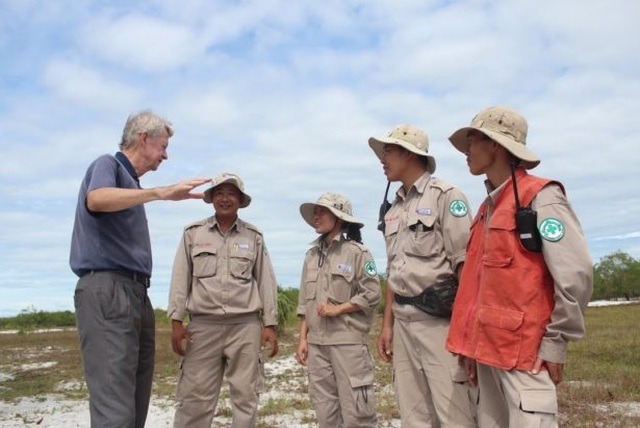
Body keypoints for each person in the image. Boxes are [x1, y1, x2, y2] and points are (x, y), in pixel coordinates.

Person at [445, 106, 593, 427]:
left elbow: (575, 275)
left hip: (525, 358)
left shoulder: (542, 197)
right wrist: (470, 345)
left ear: (495, 144)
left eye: (472, 141)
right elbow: (479, 287)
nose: (466, 152)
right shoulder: (486, 208)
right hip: (487, 356)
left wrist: (556, 342)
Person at [69, 110, 210, 428]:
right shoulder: (108, 165)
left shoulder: (131, 185)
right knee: (114, 406)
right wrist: (161, 192)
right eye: (163, 146)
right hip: (107, 287)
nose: (166, 155)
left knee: (136, 399)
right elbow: (97, 199)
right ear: (144, 138)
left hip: (136, 292)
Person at [369, 124, 476, 427]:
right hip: (403, 324)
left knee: (453, 414)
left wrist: (466, 332)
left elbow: (465, 266)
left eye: (388, 151)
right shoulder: (393, 210)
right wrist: (387, 324)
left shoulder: (445, 196)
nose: (383, 159)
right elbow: (394, 271)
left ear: (408, 152)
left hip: (440, 323)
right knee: (414, 415)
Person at [168, 172, 279, 428]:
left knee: (246, 396)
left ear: (240, 199)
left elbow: (266, 281)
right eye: (219, 193)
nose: (225, 198)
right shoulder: (192, 234)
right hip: (202, 328)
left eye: (231, 193)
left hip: (245, 327)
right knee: (194, 397)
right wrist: (176, 320)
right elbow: (179, 278)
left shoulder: (254, 236)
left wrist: (270, 324)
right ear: (211, 198)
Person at [295, 192, 382, 428]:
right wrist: (303, 339)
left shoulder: (357, 253)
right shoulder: (311, 256)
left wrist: (339, 309)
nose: (316, 216)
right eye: (316, 211)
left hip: (348, 344)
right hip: (317, 345)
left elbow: (373, 294)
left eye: (322, 211)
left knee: (357, 413)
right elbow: (305, 302)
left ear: (339, 218)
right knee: (325, 411)